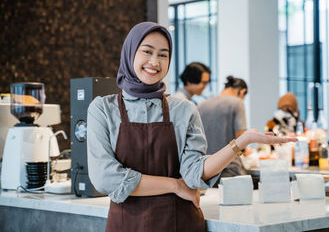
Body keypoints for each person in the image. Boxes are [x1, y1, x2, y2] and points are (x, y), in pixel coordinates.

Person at [87, 22, 297, 232]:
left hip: (180, 223)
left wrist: (242, 141)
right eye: (147, 51)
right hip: (127, 225)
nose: (155, 61)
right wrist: (174, 185)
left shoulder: (184, 109)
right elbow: (106, 178)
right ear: (130, 52)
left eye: (163, 54)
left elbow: (193, 172)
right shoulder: (103, 109)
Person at [197, 76, 248, 183]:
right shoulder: (237, 103)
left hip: (206, 171)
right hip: (230, 170)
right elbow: (241, 141)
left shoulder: (201, 106)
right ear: (242, 92)